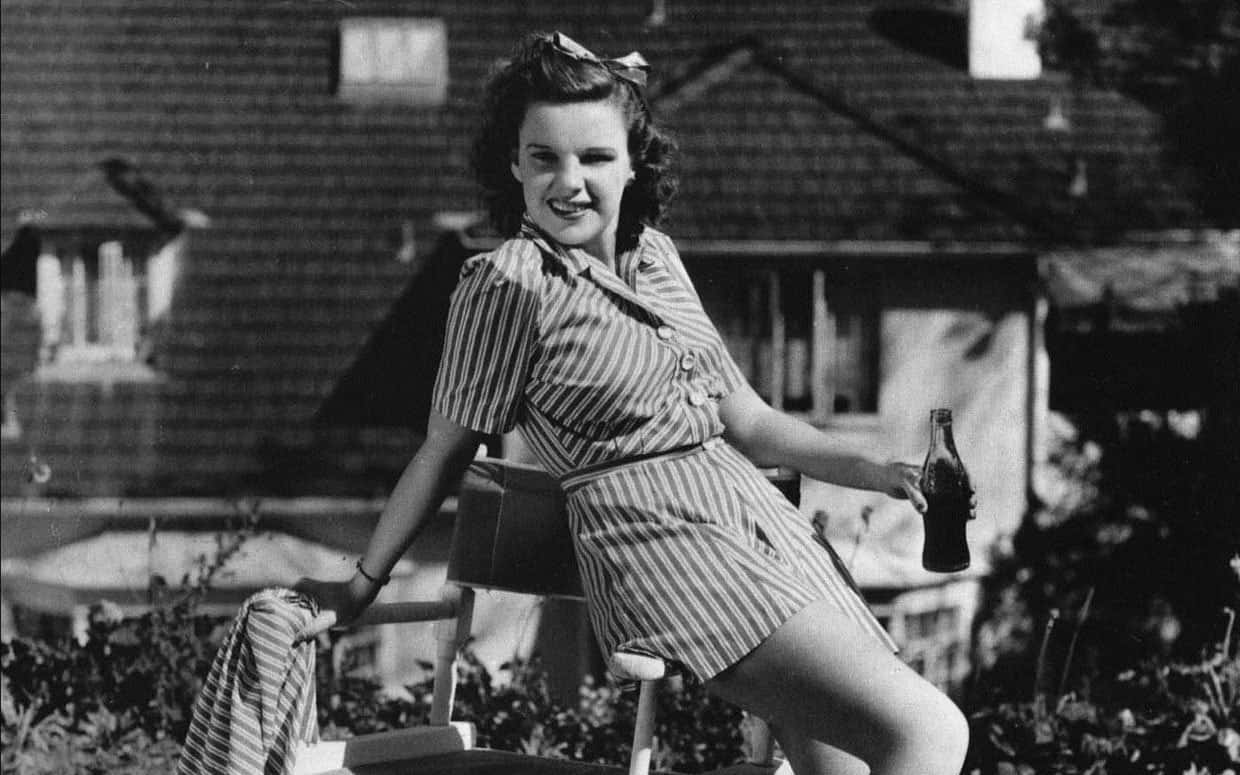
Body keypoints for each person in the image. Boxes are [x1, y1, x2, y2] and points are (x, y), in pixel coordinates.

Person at [295, 31, 969, 775]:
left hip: (764, 534)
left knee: (847, 770)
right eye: (544, 158)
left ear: (632, 162)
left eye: (594, 157)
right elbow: (444, 449)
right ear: (514, 163)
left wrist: (878, 472)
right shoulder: (509, 284)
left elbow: (748, 421)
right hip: (669, 554)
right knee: (930, 733)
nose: (569, 182)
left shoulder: (657, 257)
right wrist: (360, 585)